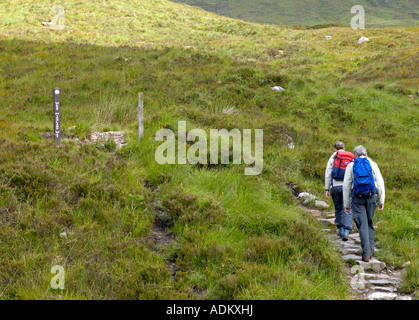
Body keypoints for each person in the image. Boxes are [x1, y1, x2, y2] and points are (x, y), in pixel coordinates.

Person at [343, 145, 385, 262]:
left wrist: (346, 204)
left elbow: (346, 186)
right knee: (369, 222)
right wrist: (381, 201)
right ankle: (371, 250)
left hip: (357, 198)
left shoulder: (351, 165)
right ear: (366, 154)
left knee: (362, 224)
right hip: (371, 197)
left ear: (355, 155)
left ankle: (366, 253)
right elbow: (380, 183)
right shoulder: (373, 164)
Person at [325, 141, 354, 241]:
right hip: (348, 187)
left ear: (335, 149)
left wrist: (327, 188)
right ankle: (346, 231)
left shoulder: (333, 157)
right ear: (344, 148)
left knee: (338, 208)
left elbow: (328, 173)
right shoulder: (350, 157)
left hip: (335, 187)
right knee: (347, 208)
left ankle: (340, 229)